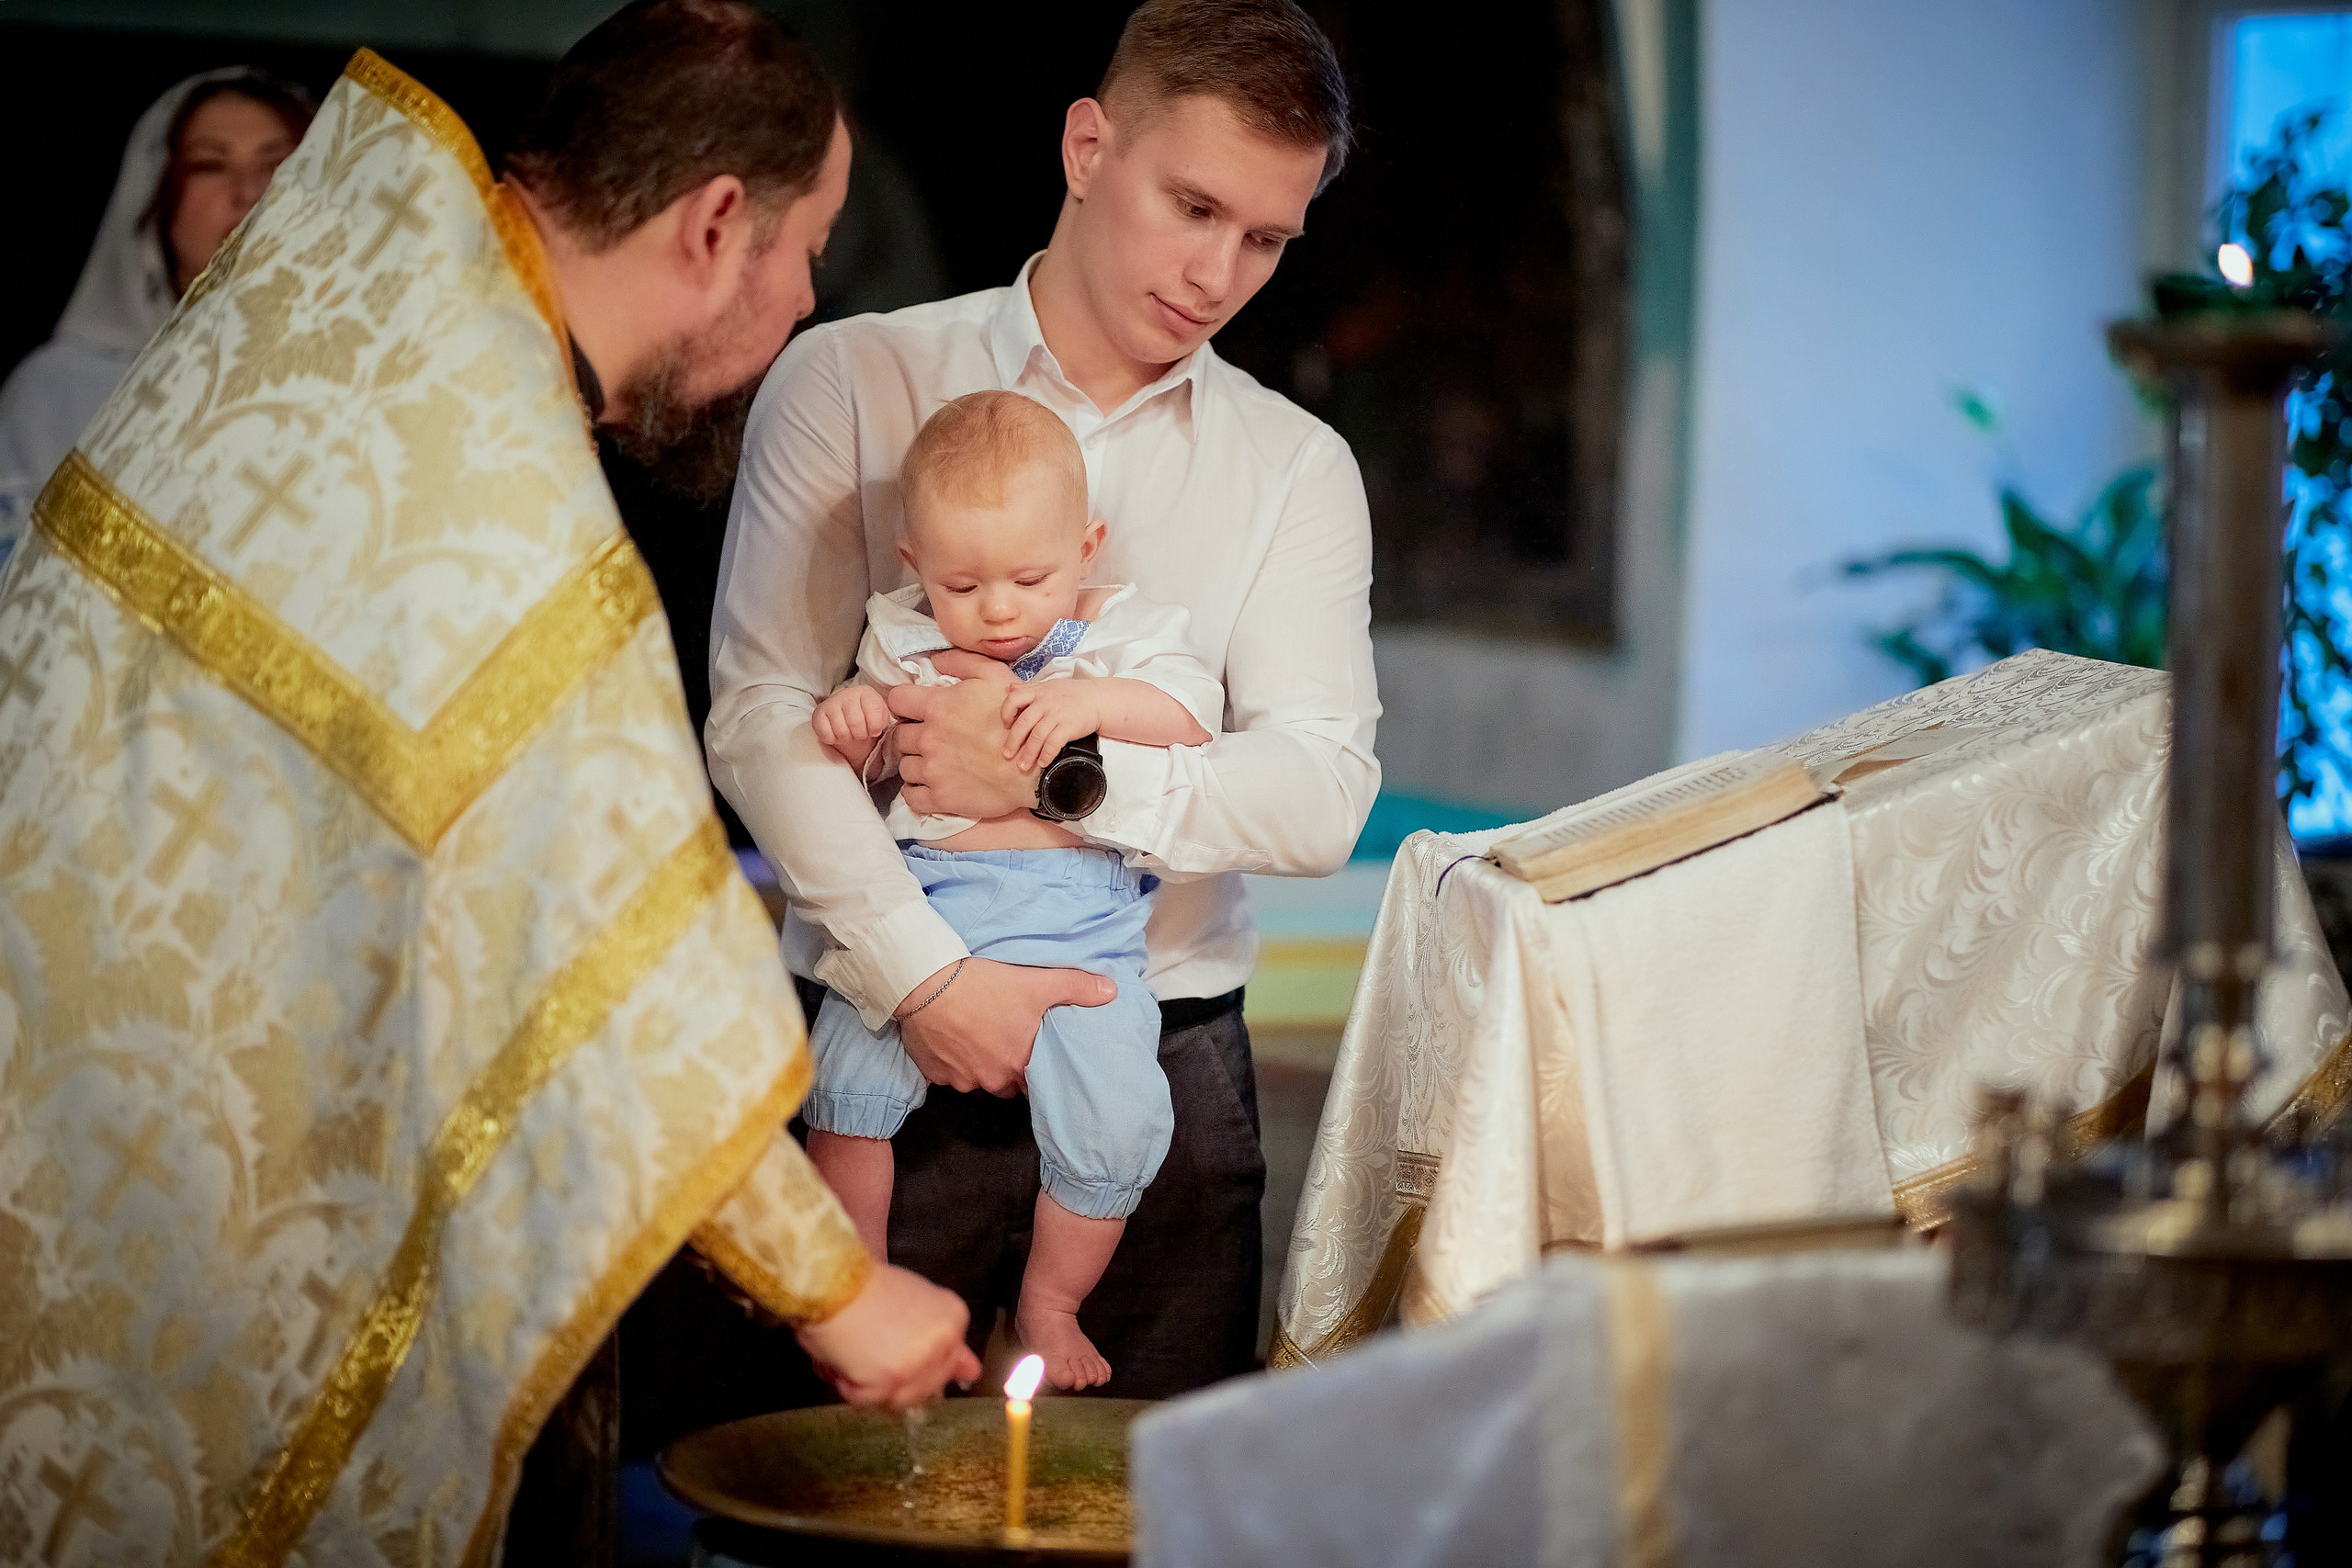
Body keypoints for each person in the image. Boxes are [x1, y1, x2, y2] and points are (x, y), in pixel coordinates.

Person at [0, 5, 973, 1562]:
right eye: (811, 248)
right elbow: (619, 937)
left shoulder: (350, 283)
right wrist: (839, 1288)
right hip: (188, 1193)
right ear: (715, 222)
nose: (805, 298)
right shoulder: (499, 490)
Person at [710, 0, 1379, 1396]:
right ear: (1089, 145)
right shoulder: (856, 376)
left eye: (1264, 238)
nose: (1216, 273)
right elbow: (761, 714)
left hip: (1163, 1044)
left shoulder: (1296, 466)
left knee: (1158, 1512)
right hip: (877, 1011)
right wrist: (926, 974)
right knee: (828, 1511)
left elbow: (1322, 791)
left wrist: (1058, 775)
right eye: (1192, 204)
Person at [805, 389, 1221, 1390]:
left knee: (1118, 1120)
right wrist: (858, 719)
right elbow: (868, 779)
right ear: (913, 568)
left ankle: (1052, 1300)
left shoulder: (1124, 641)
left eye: (1029, 578)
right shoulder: (899, 638)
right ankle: (850, 1278)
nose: (997, 610)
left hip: (1083, 939)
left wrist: (1088, 702)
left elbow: (1194, 717)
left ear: (1087, 547)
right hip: (928, 918)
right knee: (842, 1092)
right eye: (961, 584)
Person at [0, 69, 312, 562]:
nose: (251, 193)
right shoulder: (60, 392)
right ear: (155, 203)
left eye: (281, 165)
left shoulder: (383, 383)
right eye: (209, 165)